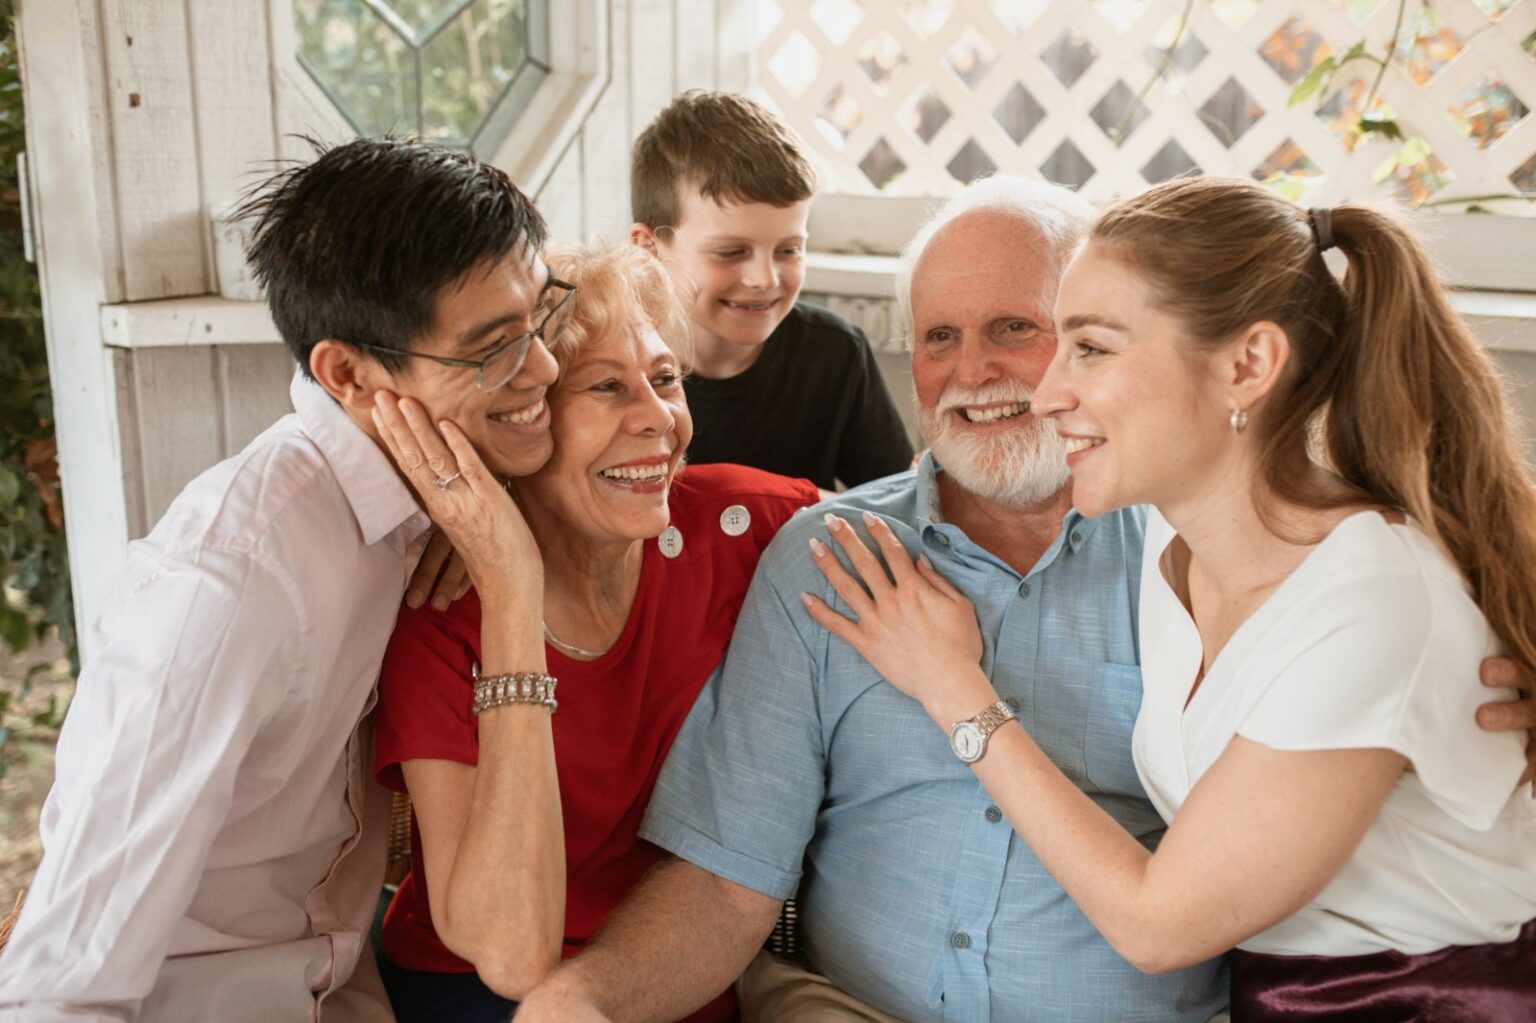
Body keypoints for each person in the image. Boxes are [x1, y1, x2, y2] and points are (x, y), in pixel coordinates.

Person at [513, 175, 1536, 1023]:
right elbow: (730, 880)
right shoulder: (833, 555)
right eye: (938, 338)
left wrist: (953, 687)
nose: (990, 376)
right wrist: (589, 1001)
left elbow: (1172, 913)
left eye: (1033, 332)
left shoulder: (1224, 557)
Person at [0, 137, 565, 1020]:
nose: (545, 369)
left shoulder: (443, 494)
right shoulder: (227, 585)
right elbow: (63, 988)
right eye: (494, 349)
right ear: (347, 372)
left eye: (541, 318)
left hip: (346, 987)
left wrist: (513, 514)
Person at [369, 241, 822, 1023]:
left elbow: (921, 517)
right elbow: (511, 955)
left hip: (672, 973)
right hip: (476, 994)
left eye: (667, 378)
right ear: (522, 424)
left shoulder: (739, 527)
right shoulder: (443, 615)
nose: (659, 418)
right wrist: (513, 588)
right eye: (608, 387)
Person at [629, 90, 913, 490]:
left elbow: (895, 503)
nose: (765, 278)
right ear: (648, 248)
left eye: (789, 250)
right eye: (731, 252)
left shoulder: (836, 355)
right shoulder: (610, 363)